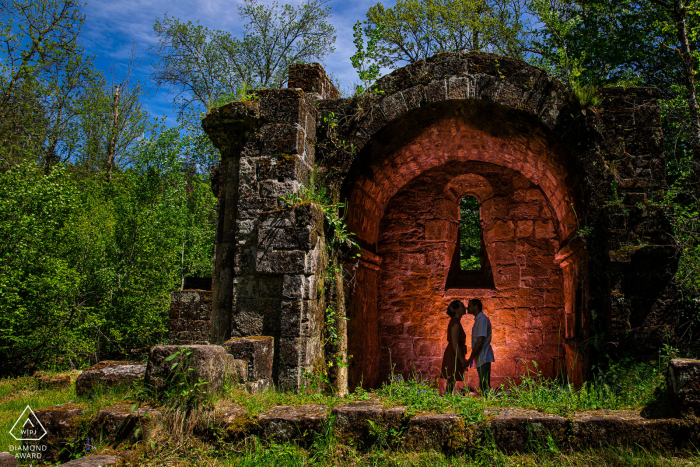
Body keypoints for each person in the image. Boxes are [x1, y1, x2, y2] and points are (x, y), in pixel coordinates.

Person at [465, 298, 495, 396]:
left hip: (484, 356)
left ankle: (489, 405)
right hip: (481, 356)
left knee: (484, 384)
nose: (467, 308)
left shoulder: (482, 320)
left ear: (475, 307)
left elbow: (479, 342)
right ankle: (488, 404)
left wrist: (471, 358)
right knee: (483, 384)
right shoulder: (479, 320)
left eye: (469, 306)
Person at [440, 300, 468, 395]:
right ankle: (447, 400)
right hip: (453, 354)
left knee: (452, 381)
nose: (465, 308)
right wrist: (463, 361)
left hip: (455, 353)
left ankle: (448, 400)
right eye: (462, 307)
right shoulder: (455, 323)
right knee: (451, 379)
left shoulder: (456, 322)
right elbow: (455, 344)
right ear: (456, 310)